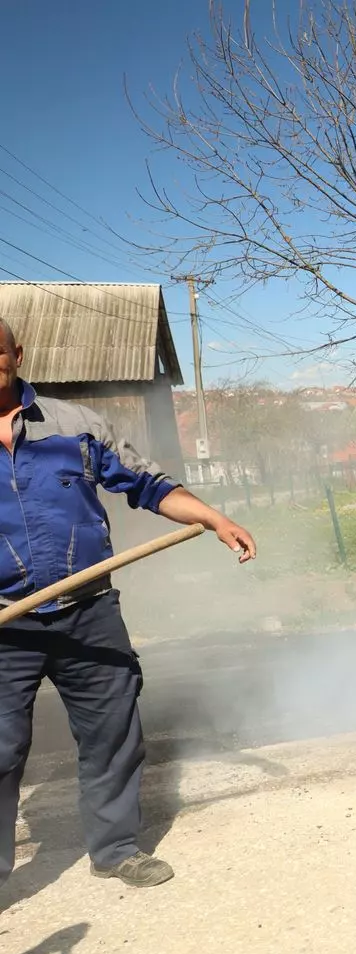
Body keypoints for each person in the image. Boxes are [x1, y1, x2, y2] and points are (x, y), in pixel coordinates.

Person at [0, 315, 256, 890]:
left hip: (87, 611)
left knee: (112, 733)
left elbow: (149, 484)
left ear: (17, 354)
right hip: (4, 624)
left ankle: (116, 850)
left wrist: (214, 518)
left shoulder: (77, 426)